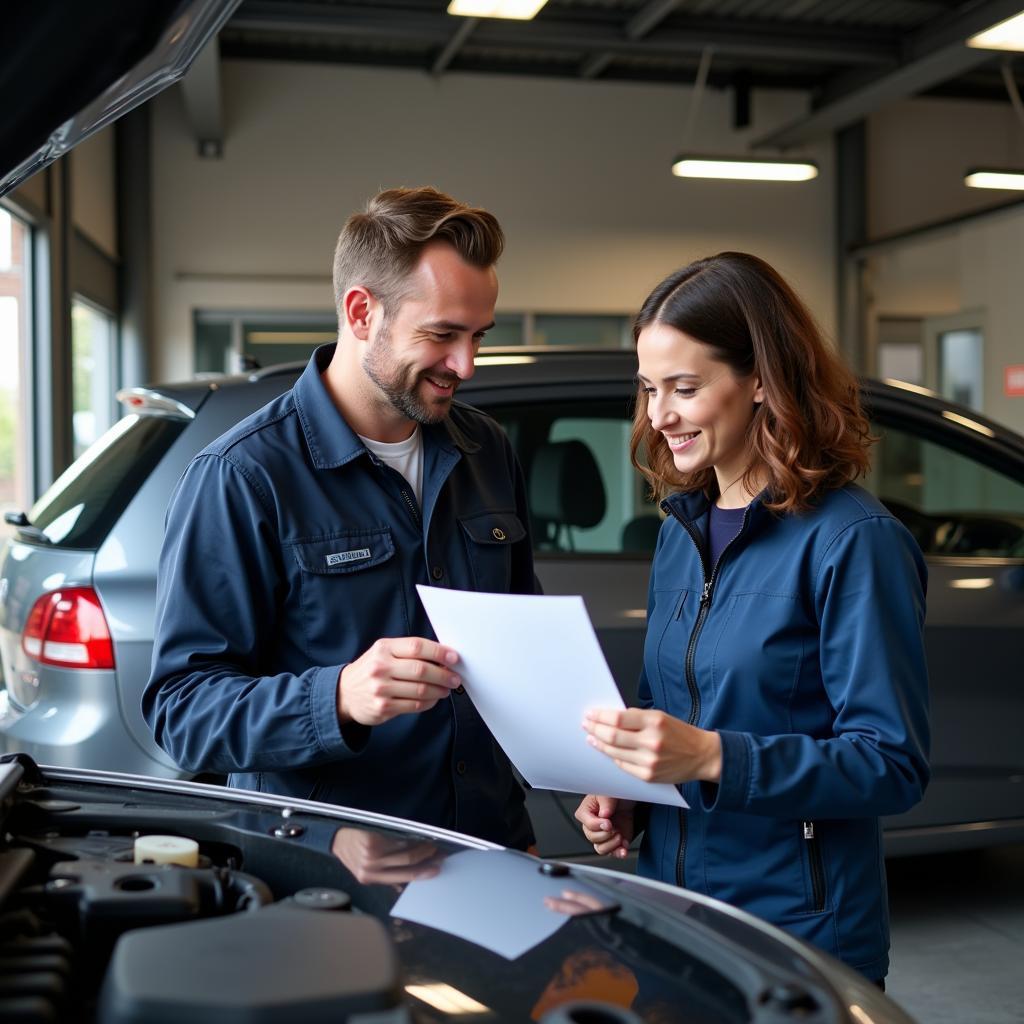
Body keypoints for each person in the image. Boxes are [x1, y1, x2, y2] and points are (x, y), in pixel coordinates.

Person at [574, 252, 929, 984]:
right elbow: (667, 706)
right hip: (674, 914)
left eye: (684, 387)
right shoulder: (681, 530)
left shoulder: (852, 542)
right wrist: (633, 789)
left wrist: (712, 759)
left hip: (800, 934)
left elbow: (891, 764)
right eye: (648, 389)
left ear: (762, 379)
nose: (658, 415)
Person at [144, 186, 536, 850]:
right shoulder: (245, 475)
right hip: (330, 875)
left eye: (477, 337)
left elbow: (523, 641)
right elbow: (182, 709)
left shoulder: (486, 448)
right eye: (442, 335)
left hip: (487, 848)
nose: (466, 365)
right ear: (361, 312)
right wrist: (339, 697)